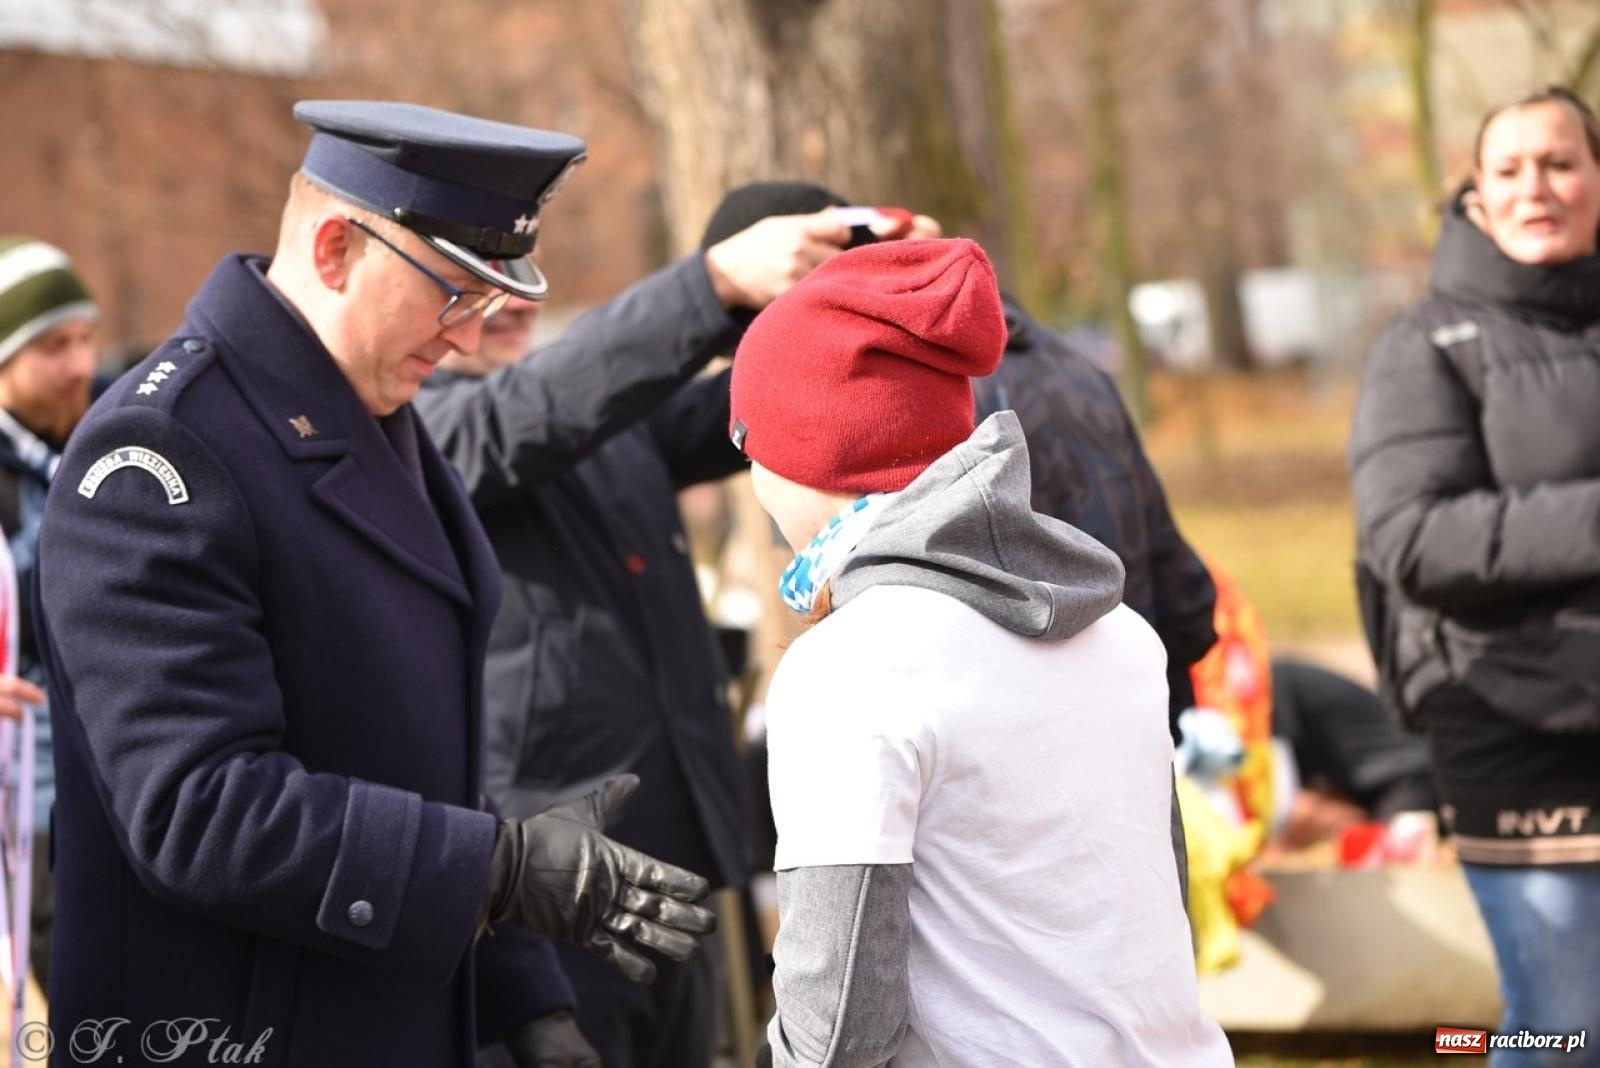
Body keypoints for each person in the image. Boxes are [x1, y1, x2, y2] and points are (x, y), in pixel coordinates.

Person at [33, 100, 716, 1068]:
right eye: (451, 295)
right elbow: (200, 807)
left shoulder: (375, 414)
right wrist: (501, 868)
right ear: (333, 250)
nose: (469, 340)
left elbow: (419, 755)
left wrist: (522, 994)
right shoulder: (160, 451)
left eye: (484, 304)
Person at [415, 181, 908, 1067]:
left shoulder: (583, 410)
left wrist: (830, 295)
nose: (507, 305)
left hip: (677, 853)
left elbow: (739, 406)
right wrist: (712, 282)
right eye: (476, 287)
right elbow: (533, 415)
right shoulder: (428, 427)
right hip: (555, 873)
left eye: (519, 281)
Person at [730, 238, 1231, 1066]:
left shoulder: (849, 671)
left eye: (749, 451)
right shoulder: (1118, 632)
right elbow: (1156, 915)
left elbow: (839, 1017)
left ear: (794, 453)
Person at [1349, 84, 1600, 1063]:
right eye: (1508, 169)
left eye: (1560, 162)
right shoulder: (1422, 347)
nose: (1535, 186)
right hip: (1512, 727)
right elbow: (1410, 540)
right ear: (1477, 197)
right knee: (1560, 1030)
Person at [972, 298, 1216, 738]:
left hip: (1025, 733)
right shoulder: (1077, 366)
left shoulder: (922, 385)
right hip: (1135, 711)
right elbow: (1180, 586)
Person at [0, 236, 97, 988]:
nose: (80, 364)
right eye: (53, 345)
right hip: (26, 797)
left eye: (86, 338)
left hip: (111, 783)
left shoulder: (96, 450)